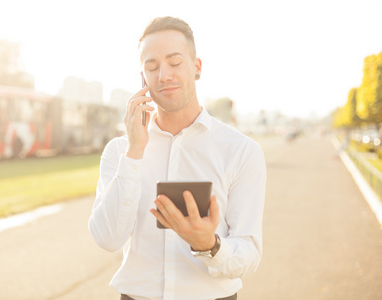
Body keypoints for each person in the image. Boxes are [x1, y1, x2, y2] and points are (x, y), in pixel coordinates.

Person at [89, 16, 266, 300]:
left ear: (196, 67)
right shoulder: (119, 151)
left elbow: (250, 252)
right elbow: (107, 239)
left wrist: (210, 245)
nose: (164, 76)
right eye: (152, 66)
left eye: (174, 62)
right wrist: (134, 153)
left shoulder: (241, 151)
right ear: (142, 77)